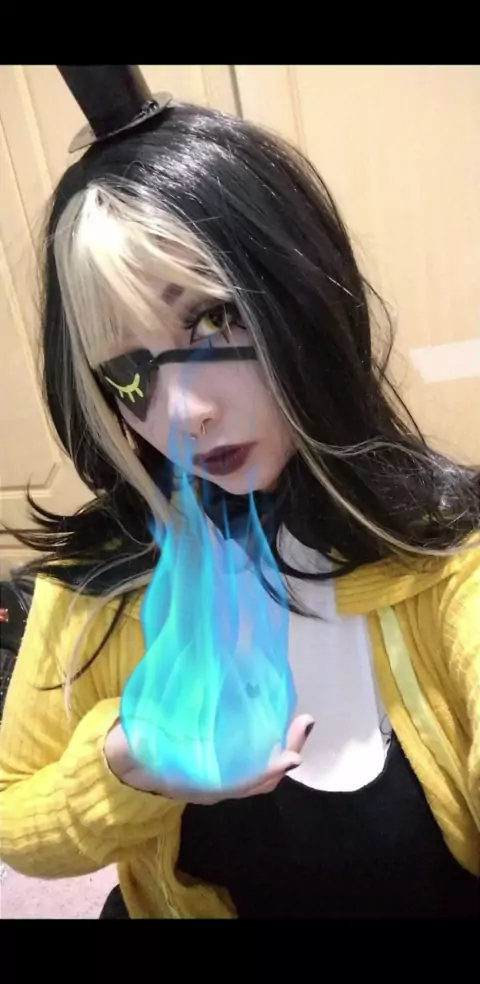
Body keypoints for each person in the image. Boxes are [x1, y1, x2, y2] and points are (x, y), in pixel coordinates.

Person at [0, 65, 479, 920]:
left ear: (304, 300)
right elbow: (15, 819)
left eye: (214, 319)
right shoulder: (100, 583)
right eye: (128, 372)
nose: (182, 413)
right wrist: (125, 766)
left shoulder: (448, 561)